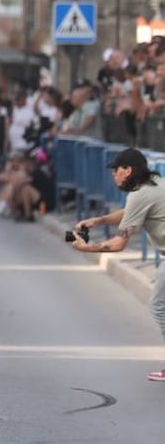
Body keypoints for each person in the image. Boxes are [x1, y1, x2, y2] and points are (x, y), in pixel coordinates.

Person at [72, 148, 165, 380]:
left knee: (159, 306)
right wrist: (99, 220)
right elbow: (129, 212)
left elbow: (118, 244)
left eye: (116, 170)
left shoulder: (140, 194)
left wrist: (87, 249)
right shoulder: (155, 182)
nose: (114, 175)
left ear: (128, 170)